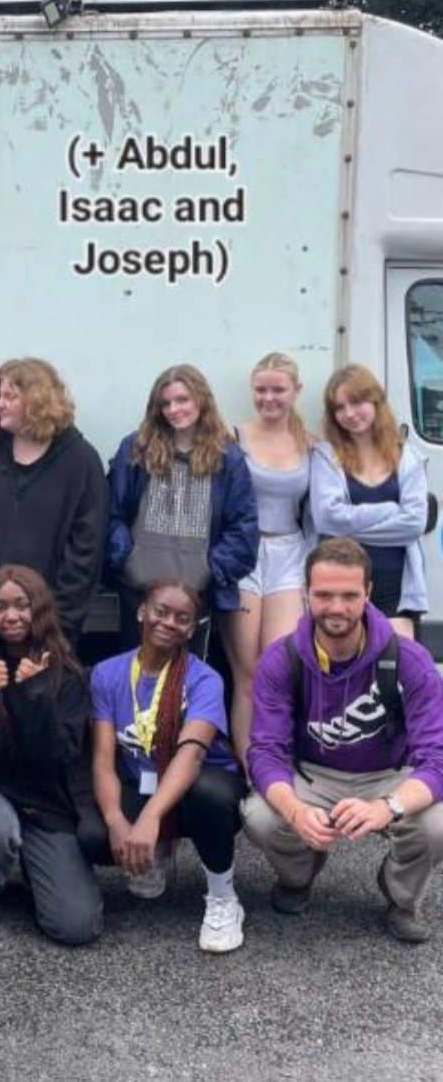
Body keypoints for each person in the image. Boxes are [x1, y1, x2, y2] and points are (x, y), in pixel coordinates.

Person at [243, 537, 443, 943]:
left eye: (349, 595)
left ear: (368, 593)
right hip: (313, 773)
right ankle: (299, 874)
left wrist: (389, 806)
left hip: (388, 773)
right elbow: (265, 752)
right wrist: (297, 812)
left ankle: (400, 894)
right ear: (305, 594)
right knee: (260, 815)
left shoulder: (409, 659)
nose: (336, 607)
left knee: (436, 825)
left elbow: (436, 758)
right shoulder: (281, 660)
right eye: (324, 594)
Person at [88, 579, 246, 953]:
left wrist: (149, 819)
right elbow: (102, 759)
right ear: (142, 612)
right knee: (90, 836)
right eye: (161, 611)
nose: (169, 622)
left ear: (192, 629)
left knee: (210, 794)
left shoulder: (204, 678)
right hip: (139, 782)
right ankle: (154, 852)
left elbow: (190, 756)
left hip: (194, 787)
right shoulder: (107, 673)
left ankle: (224, 897)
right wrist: (115, 820)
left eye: (182, 618)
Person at [0, 565, 102, 945]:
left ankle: (37, 867)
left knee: (76, 926)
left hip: (46, 806)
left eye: (22, 605)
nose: (12, 615)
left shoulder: (65, 674)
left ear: (39, 610)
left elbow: (56, 759)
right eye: (0, 607)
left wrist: (35, 696)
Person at [0, 357, 106, 648]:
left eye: (10, 396)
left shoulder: (81, 461)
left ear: (37, 400)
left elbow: (87, 547)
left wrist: (60, 619)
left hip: (49, 625)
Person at [107, 363, 258, 652]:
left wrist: (208, 572)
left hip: (194, 596)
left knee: (185, 683)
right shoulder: (136, 448)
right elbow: (111, 512)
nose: (174, 409)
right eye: (166, 403)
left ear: (201, 399)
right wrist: (127, 561)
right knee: (134, 677)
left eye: (182, 400)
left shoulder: (228, 459)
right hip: (139, 593)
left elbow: (244, 529)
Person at [223, 353, 313, 759]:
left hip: (289, 553)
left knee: (278, 670)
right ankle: (249, 773)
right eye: (261, 389)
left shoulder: (310, 445)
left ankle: (277, 761)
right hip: (244, 553)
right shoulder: (233, 437)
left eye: (279, 389)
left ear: (296, 392)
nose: (269, 398)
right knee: (246, 673)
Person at [309, 363, 428, 639]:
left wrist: (347, 526)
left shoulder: (408, 457)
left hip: (395, 587)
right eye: (339, 407)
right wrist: (389, 510)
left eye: (357, 402)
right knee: (342, 672)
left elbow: (413, 524)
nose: (349, 413)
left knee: (395, 673)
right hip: (339, 585)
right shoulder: (326, 456)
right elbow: (327, 519)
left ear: (376, 401)